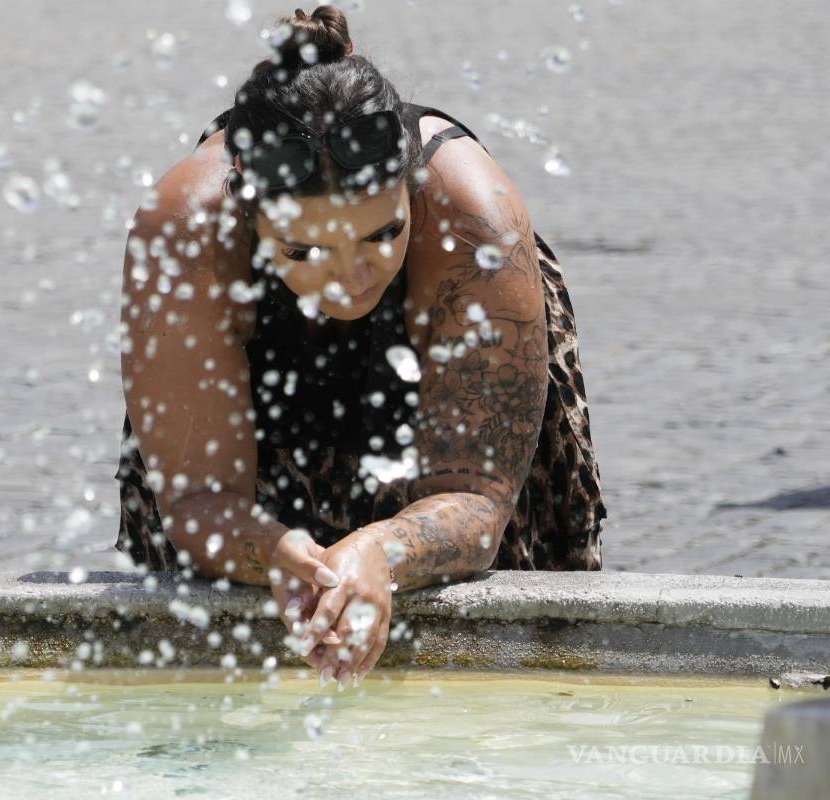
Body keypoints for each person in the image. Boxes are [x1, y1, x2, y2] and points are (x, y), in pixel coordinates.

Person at [114, 5, 605, 688]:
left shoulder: (474, 222)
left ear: (409, 187)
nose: (351, 279)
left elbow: (477, 498)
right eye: (304, 249)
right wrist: (279, 553)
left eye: (382, 234)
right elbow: (198, 500)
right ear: (248, 210)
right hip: (247, 386)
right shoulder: (186, 233)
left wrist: (382, 550)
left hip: (452, 349)